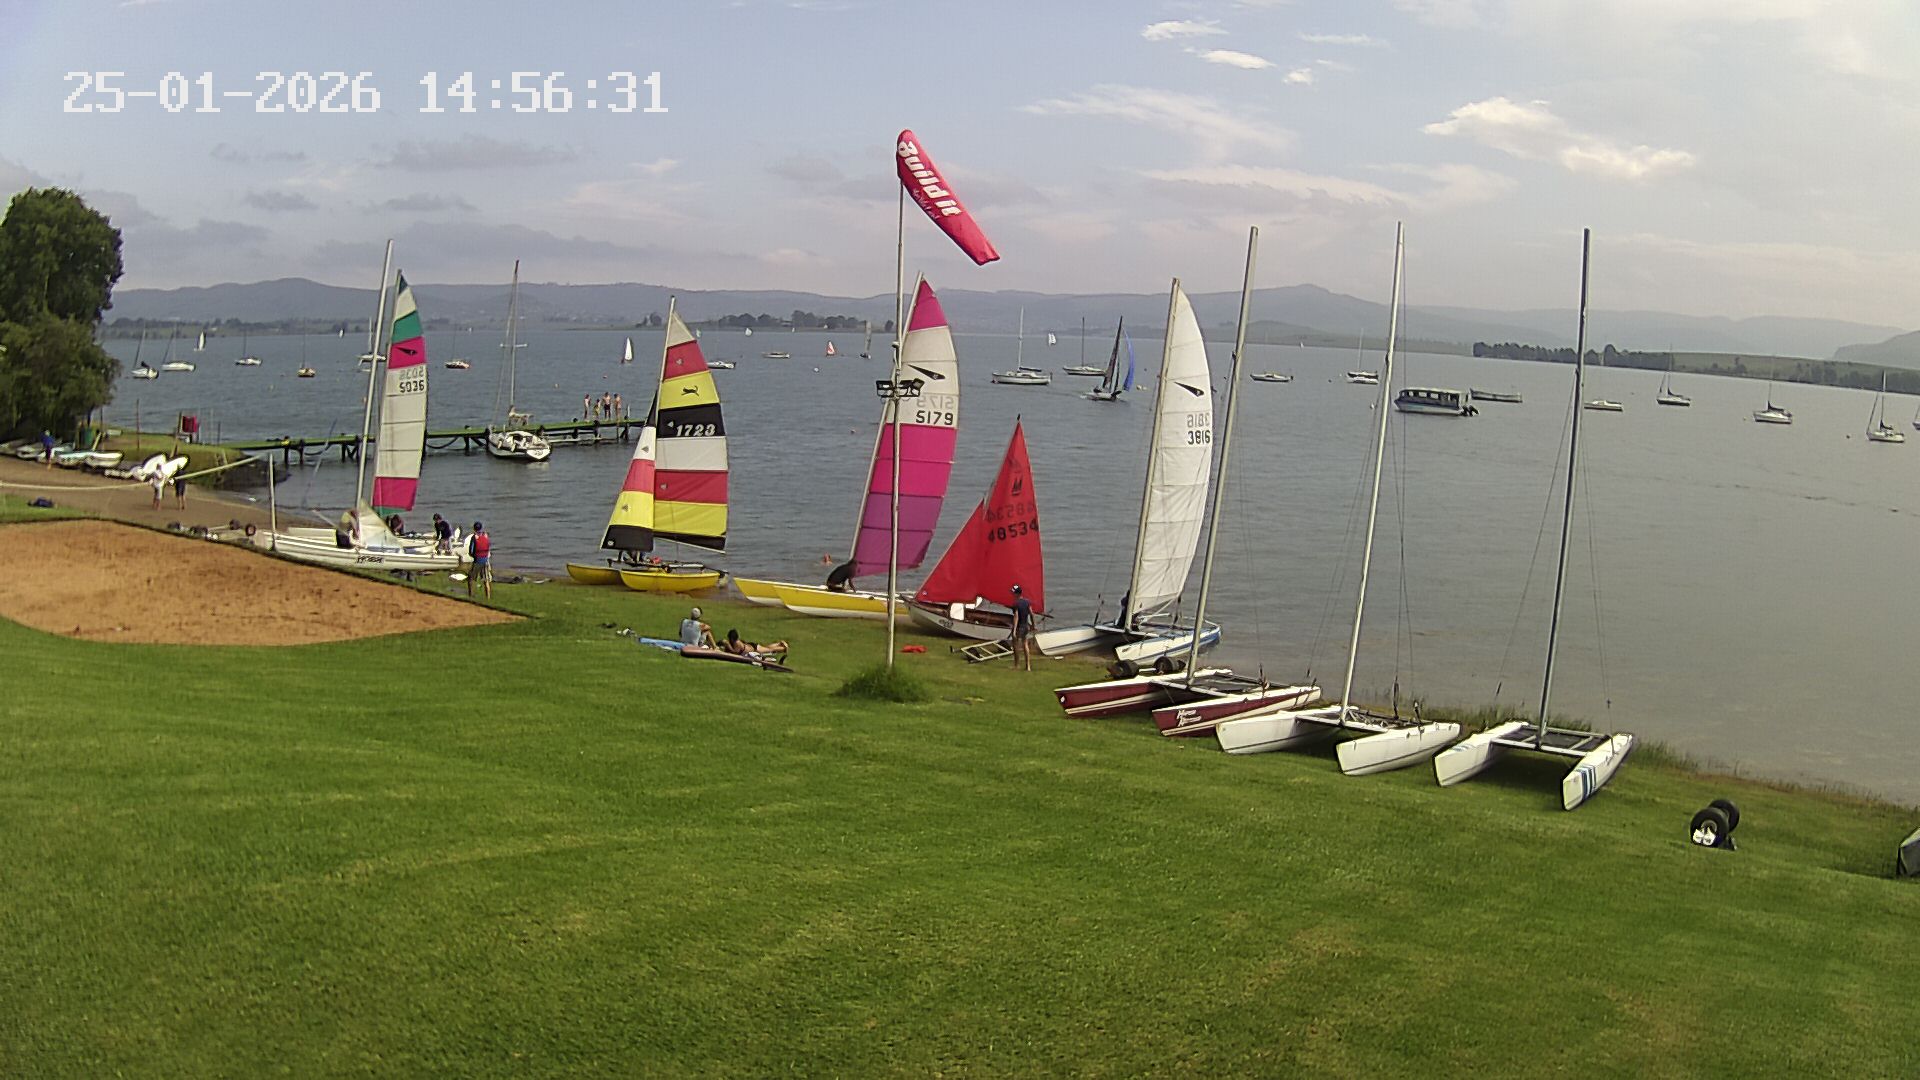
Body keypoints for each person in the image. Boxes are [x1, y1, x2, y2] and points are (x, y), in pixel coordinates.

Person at [1009, 583, 1035, 672]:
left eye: (1013, 593)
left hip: (1019, 627)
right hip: (1026, 626)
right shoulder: (1027, 602)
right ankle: (1028, 666)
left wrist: (1014, 630)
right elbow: (1031, 614)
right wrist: (1033, 625)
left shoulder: (1016, 603)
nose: (1012, 594)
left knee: (1015, 645)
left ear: (1017, 593)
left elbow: (1016, 616)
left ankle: (1017, 665)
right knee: (1025, 645)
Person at [724, 628, 789, 662]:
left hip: (755, 649)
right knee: (767, 648)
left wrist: (727, 645)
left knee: (769, 650)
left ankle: (784, 648)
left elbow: (735, 652)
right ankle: (779, 644)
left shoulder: (736, 643)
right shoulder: (736, 642)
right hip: (752, 647)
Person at [466, 521, 492, 599]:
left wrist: (473, 556)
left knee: (471, 579)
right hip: (486, 560)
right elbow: (488, 547)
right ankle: (488, 598)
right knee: (486, 581)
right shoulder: (485, 535)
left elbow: (471, 551)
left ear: (474, 529)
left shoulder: (474, 537)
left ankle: (471, 596)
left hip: (478, 560)